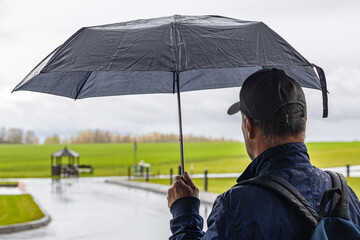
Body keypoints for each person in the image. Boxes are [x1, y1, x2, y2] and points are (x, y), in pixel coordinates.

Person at [167, 68, 360, 239]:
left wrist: (184, 211)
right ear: (304, 122)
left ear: (249, 127)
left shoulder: (236, 206)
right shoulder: (344, 195)